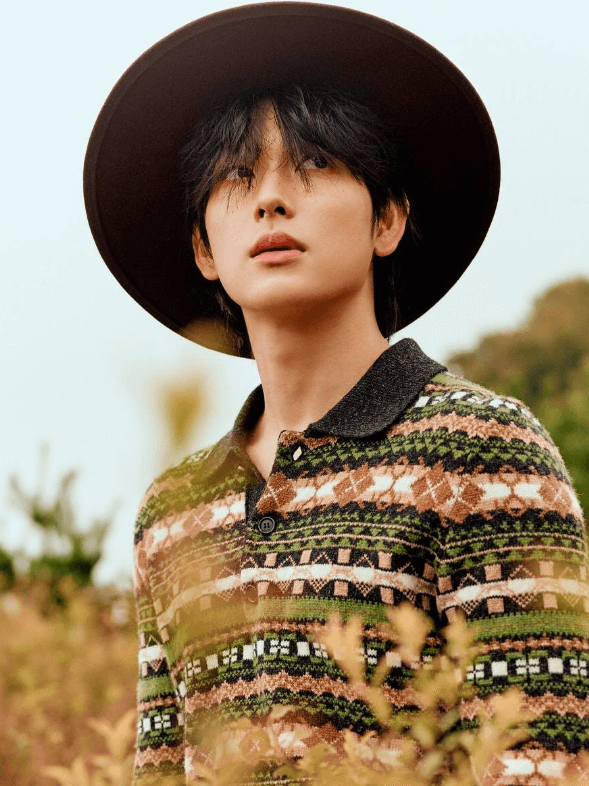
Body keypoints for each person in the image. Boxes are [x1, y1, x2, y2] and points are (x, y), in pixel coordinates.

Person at [84, 4, 589, 784]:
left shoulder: (484, 451)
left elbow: (541, 758)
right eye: (236, 175)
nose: (269, 198)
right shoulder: (173, 510)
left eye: (314, 164)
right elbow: (160, 768)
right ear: (203, 249)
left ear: (387, 219)